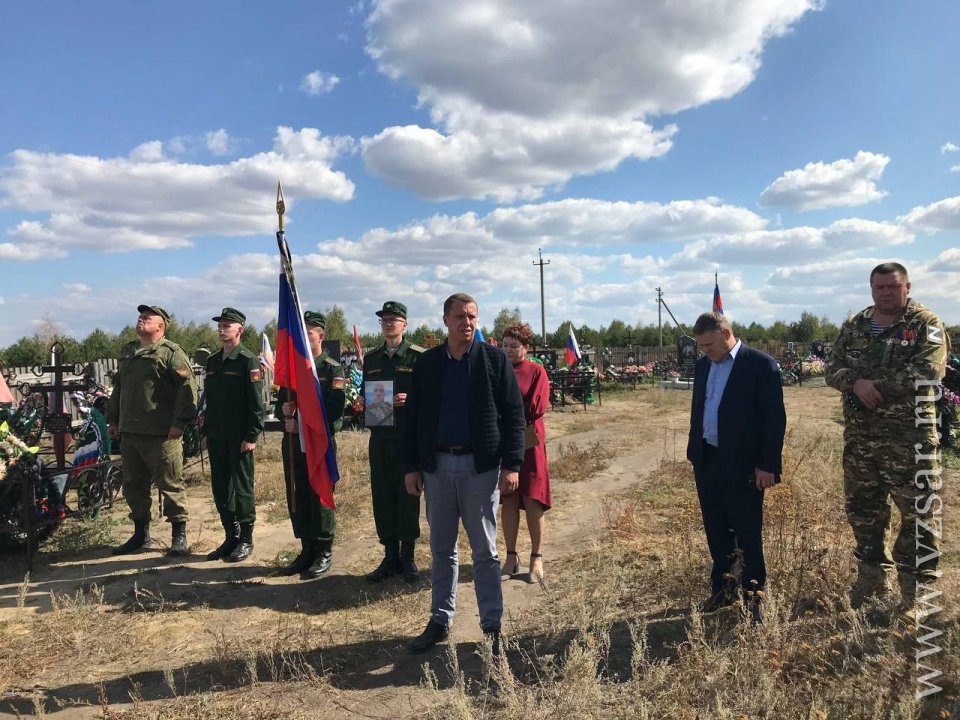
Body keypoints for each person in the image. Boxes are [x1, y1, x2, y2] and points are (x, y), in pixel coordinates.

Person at [402, 293, 525, 655]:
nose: (466, 323)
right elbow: (413, 418)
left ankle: (492, 626)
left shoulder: (494, 360)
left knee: (485, 552)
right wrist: (411, 466)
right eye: (459, 316)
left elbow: (513, 415)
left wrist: (512, 465)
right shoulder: (427, 363)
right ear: (445, 320)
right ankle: (440, 619)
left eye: (472, 316)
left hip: (479, 468)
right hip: (437, 468)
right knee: (442, 549)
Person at [825, 262, 949, 615]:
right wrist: (854, 383)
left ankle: (916, 595)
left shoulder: (926, 323)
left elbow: (928, 371)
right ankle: (871, 582)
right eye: (879, 287)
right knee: (863, 513)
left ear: (907, 287)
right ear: (871, 289)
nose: (886, 293)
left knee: (919, 516)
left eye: (893, 287)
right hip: (861, 441)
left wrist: (874, 387)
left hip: (910, 442)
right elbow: (831, 368)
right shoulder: (855, 325)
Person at [686, 312, 786, 621]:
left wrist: (767, 465)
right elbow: (701, 409)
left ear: (726, 333)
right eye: (701, 346)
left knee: (747, 531)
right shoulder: (704, 366)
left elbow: (774, 419)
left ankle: (754, 598)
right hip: (707, 459)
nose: (706, 351)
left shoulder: (760, 365)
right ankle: (724, 589)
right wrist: (695, 452)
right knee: (716, 529)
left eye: (710, 345)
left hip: (744, 465)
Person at [106, 305, 198, 556]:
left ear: (161, 326)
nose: (141, 319)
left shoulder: (171, 352)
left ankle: (179, 536)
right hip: (130, 432)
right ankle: (141, 535)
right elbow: (119, 388)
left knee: (170, 483)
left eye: (147, 317)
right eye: (140, 316)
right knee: (133, 485)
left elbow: (187, 388)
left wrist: (180, 422)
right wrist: (113, 420)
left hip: (162, 434)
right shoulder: (128, 351)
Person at [276, 311, 345, 580]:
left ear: (320, 336)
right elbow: (281, 405)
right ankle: (306, 549)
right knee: (300, 494)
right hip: (294, 444)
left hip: (319, 444)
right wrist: (285, 409)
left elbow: (333, 410)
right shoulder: (293, 368)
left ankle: (323, 550)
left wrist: (302, 425)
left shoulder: (330, 368)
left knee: (320, 495)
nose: (304, 337)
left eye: (309, 332)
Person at [362, 301, 425, 583]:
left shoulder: (417, 357)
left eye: (393, 320)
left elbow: (429, 396)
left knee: (407, 496)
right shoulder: (372, 359)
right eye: (384, 320)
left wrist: (411, 400)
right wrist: (364, 403)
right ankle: (390, 555)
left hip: (406, 437)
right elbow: (367, 393)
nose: (388, 324)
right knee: (383, 496)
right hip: (380, 437)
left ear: (404, 324)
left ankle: (408, 556)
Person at [200, 308, 264, 563]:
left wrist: (252, 435)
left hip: (239, 437)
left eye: (227, 325)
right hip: (217, 435)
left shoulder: (247, 360)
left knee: (242, 487)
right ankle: (231, 535)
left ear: (240, 330)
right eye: (220, 325)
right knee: (220, 487)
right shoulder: (213, 361)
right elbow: (210, 401)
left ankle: (246, 538)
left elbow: (256, 403)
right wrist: (206, 432)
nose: (221, 328)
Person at [499, 323, 552, 584]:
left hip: (529, 440)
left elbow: (536, 406)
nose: (508, 350)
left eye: (514, 346)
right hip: (504, 440)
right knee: (508, 497)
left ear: (526, 348)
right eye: (505, 345)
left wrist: (508, 414)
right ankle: (511, 556)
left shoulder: (536, 371)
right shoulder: (498, 370)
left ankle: (536, 558)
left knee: (532, 498)